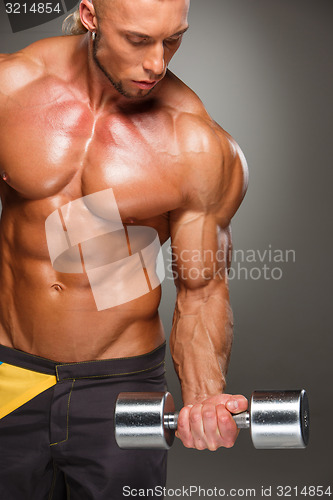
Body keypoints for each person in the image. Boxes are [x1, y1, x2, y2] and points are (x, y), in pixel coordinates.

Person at [0, 0, 249, 498]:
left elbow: (201, 290)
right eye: (138, 40)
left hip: (118, 386)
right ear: (90, 16)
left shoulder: (196, 144)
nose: (158, 63)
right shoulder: (10, 90)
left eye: (173, 40)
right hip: (9, 373)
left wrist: (203, 399)